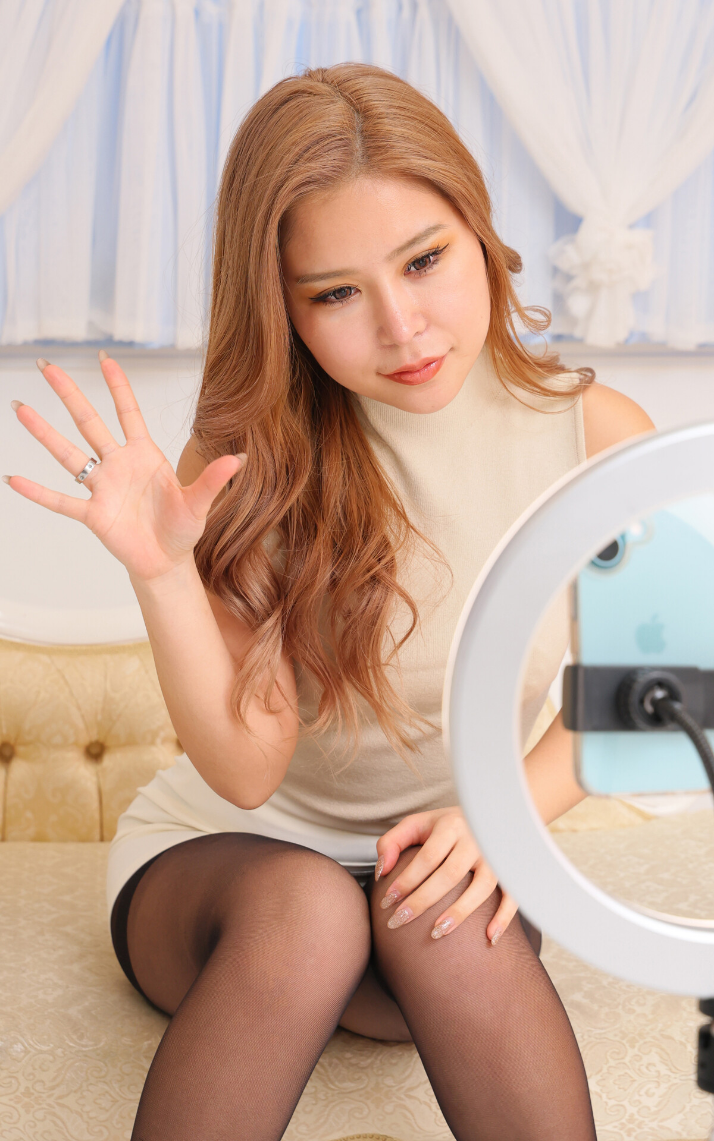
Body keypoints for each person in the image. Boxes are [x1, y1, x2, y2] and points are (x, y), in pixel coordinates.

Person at [5, 63, 654, 1141]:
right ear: (285, 309)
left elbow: (645, 693)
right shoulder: (248, 461)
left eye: (425, 260)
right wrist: (162, 575)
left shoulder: (598, 437)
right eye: (336, 294)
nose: (402, 326)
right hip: (229, 866)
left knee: (443, 922)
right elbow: (247, 769)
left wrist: (502, 819)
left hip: (446, 857)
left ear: (478, 228)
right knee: (310, 910)